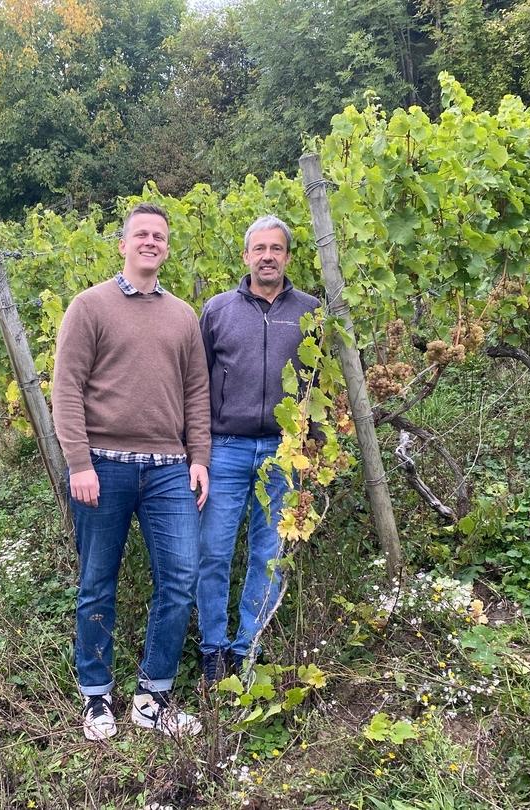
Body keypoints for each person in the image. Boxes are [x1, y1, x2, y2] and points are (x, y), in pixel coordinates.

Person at [51, 202, 211, 741]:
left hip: (169, 469)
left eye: (159, 236)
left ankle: (152, 695)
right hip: (104, 467)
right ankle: (96, 698)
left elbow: (196, 393)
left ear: (167, 247)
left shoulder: (183, 315)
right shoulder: (89, 307)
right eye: (140, 234)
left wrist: (200, 458)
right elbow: (66, 388)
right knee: (98, 583)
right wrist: (78, 462)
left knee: (181, 578)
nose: (150, 242)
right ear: (122, 244)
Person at [196, 215, 320, 684]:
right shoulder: (217, 310)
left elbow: (325, 383)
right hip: (224, 448)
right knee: (212, 551)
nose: (267, 256)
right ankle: (212, 648)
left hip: (285, 451)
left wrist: (316, 451)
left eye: (277, 248)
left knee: (268, 553)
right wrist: (198, 449)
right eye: (259, 248)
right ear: (246, 255)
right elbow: (195, 383)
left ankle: (249, 646)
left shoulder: (311, 311)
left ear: (288, 257)